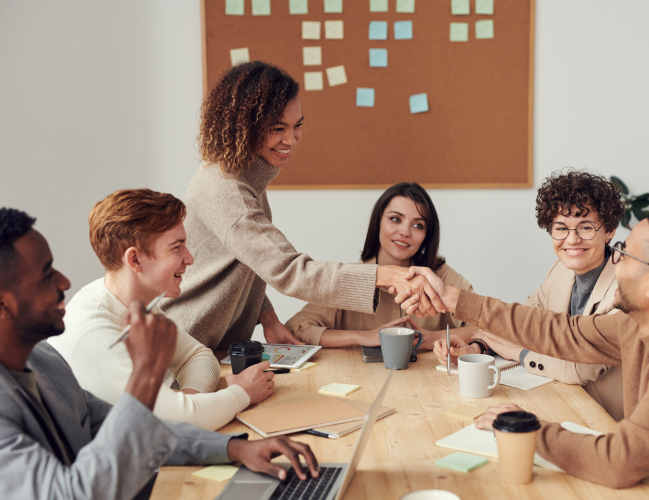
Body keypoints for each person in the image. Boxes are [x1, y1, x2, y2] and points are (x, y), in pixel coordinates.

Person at [401, 205, 649, 499]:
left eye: (625, 253)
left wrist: (525, 428)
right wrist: (454, 299)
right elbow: (559, 331)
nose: (615, 259)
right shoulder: (640, 324)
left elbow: (620, 461)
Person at [0, 208, 319, 500]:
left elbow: (134, 429)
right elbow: (75, 495)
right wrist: (147, 373)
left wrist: (234, 448)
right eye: (46, 275)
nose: (65, 281)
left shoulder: (44, 362)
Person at [161, 61, 443, 350]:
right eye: (277, 128)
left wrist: (267, 316)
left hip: (210, 347)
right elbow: (290, 270)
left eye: (298, 126)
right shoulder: (227, 189)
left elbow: (248, 260)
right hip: (183, 346)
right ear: (245, 127)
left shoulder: (243, 177)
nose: (292, 139)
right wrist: (382, 275)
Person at [48, 190, 272, 431]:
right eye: (177, 248)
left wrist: (189, 401)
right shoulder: (94, 330)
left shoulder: (136, 303)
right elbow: (171, 424)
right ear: (134, 260)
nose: (189, 259)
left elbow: (198, 356)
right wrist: (242, 392)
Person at [435, 170, 626, 420]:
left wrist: (518, 353)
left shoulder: (625, 287)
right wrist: (478, 347)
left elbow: (579, 369)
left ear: (609, 230)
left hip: (607, 420)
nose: (572, 239)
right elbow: (521, 323)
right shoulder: (559, 271)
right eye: (560, 228)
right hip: (562, 402)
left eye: (586, 227)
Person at [286, 182, 477, 348]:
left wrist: (436, 337)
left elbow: (489, 327)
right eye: (395, 219)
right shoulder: (350, 279)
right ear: (378, 222)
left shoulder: (443, 278)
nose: (405, 231)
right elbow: (296, 328)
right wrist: (362, 336)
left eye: (418, 225)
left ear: (427, 235)